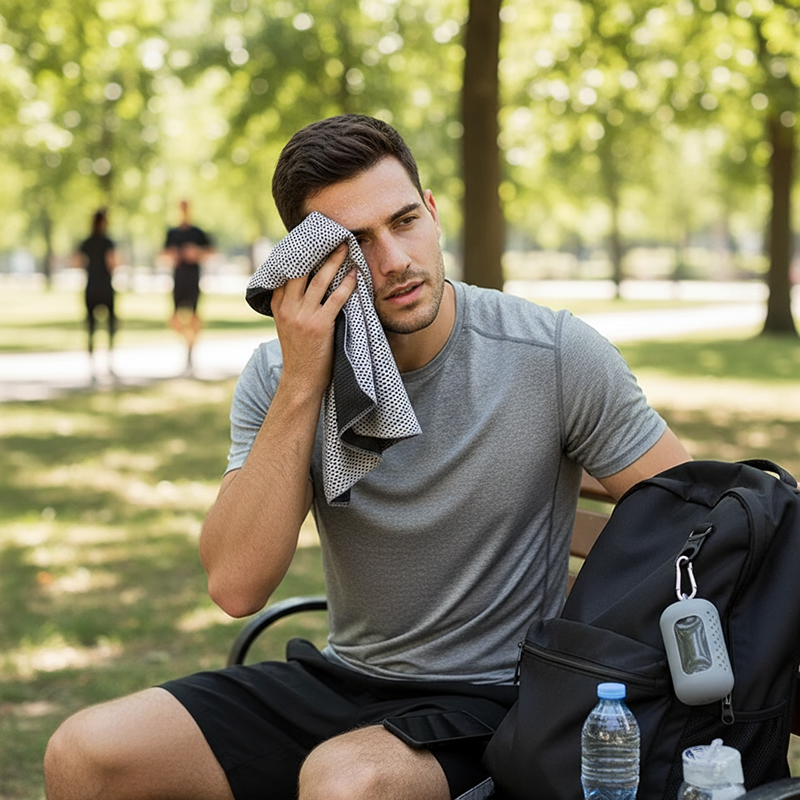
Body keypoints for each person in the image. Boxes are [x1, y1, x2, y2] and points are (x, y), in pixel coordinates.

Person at [44, 115, 691, 800]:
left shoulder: (552, 354)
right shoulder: (279, 375)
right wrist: (303, 380)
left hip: (497, 700)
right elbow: (236, 586)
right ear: (310, 262)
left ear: (432, 212)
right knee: (85, 754)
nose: (394, 260)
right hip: (343, 679)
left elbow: (700, 519)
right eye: (355, 243)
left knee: (345, 782)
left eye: (405, 222)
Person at [162, 199, 213, 372]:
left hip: (193, 280)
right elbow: (163, 255)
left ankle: (190, 352)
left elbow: (212, 252)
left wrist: (196, 253)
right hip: (178, 280)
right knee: (174, 319)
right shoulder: (172, 233)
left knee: (194, 318)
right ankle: (186, 343)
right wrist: (172, 255)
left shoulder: (197, 233)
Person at [75, 208, 118, 378]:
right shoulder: (108, 242)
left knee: (91, 326)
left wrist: (90, 266)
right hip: (105, 286)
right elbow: (112, 263)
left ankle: (92, 363)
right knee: (110, 325)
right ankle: (109, 361)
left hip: (91, 285)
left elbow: (77, 262)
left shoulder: (87, 242)